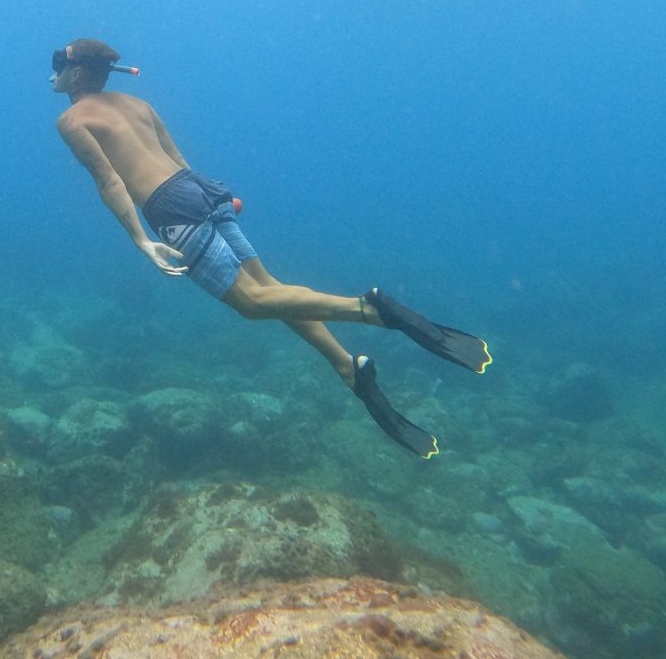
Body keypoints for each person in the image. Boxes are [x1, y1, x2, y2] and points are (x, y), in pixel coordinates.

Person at [52, 38, 492, 458]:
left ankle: (372, 310)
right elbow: (179, 160)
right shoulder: (139, 104)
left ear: (77, 73)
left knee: (252, 303)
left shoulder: (71, 121)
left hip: (170, 208)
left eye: (59, 65)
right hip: (200, 189)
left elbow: (110, 181)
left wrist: (141, 240)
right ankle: (348, 369)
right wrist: (215, 205)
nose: (53, 74)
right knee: (269, 289)